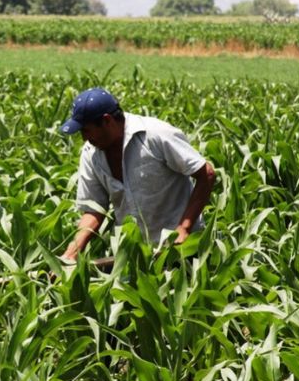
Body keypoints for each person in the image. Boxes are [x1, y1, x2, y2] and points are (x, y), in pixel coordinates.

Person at [60, 87, 215, 260]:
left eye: (86, 131)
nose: (84, 138)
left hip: (182, 251)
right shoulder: (90, 153)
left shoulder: (156, 135)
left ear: (107, 121)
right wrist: (71, 253)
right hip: (135, 258)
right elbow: (93, 210)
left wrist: (184, 228)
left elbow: (206, 174)